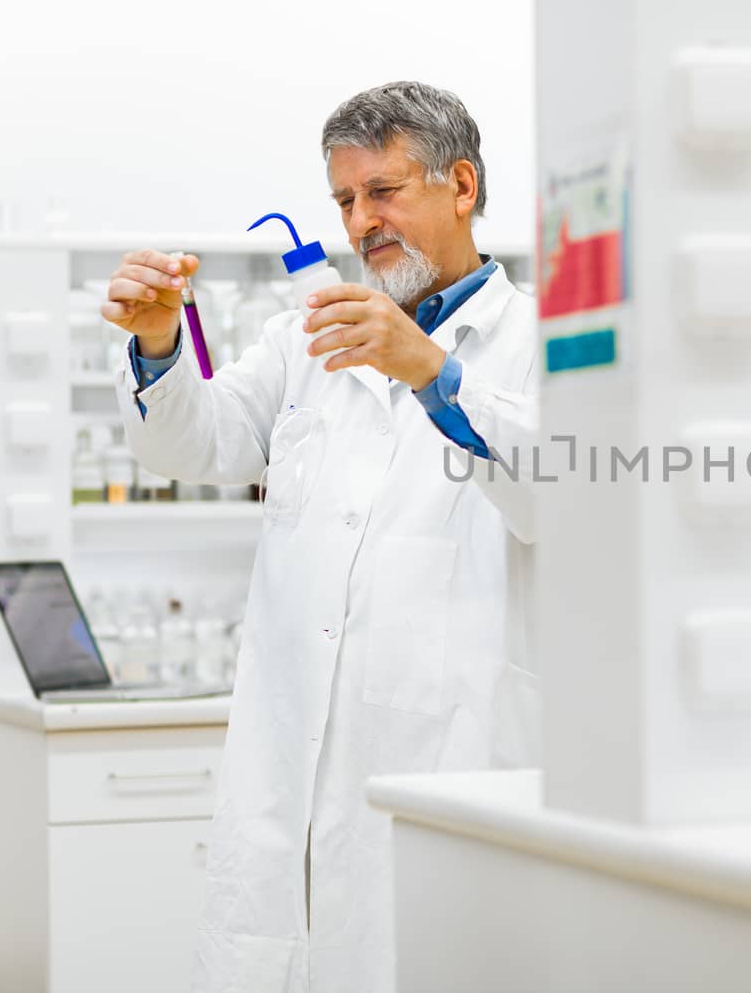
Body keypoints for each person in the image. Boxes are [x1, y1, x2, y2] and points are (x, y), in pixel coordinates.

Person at [102, 81, 538, 992]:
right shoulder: (305, 339)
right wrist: (157, 348)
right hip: (286, 774)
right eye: (345, 200)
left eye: (385, 191)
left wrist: (432, 370)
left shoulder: (542, 339)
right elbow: (195, 443)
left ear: (462, 184)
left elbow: (561, 491)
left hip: (444, 769)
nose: (362, 221)